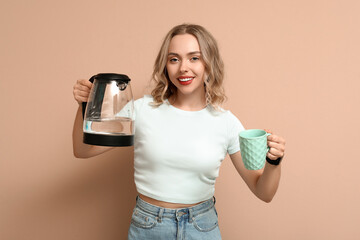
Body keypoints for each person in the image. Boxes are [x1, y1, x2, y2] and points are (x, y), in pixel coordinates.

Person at [72, 24, 286, 240]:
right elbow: (83, 149)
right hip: (148, 227)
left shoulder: (226, 122)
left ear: (209, 64)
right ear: (165, 66)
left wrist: (274, 162)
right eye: (174, 59)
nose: (183, 67)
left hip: (202, 227)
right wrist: (84, 105)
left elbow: (263, 192)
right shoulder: (142, 110)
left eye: (194, 58)